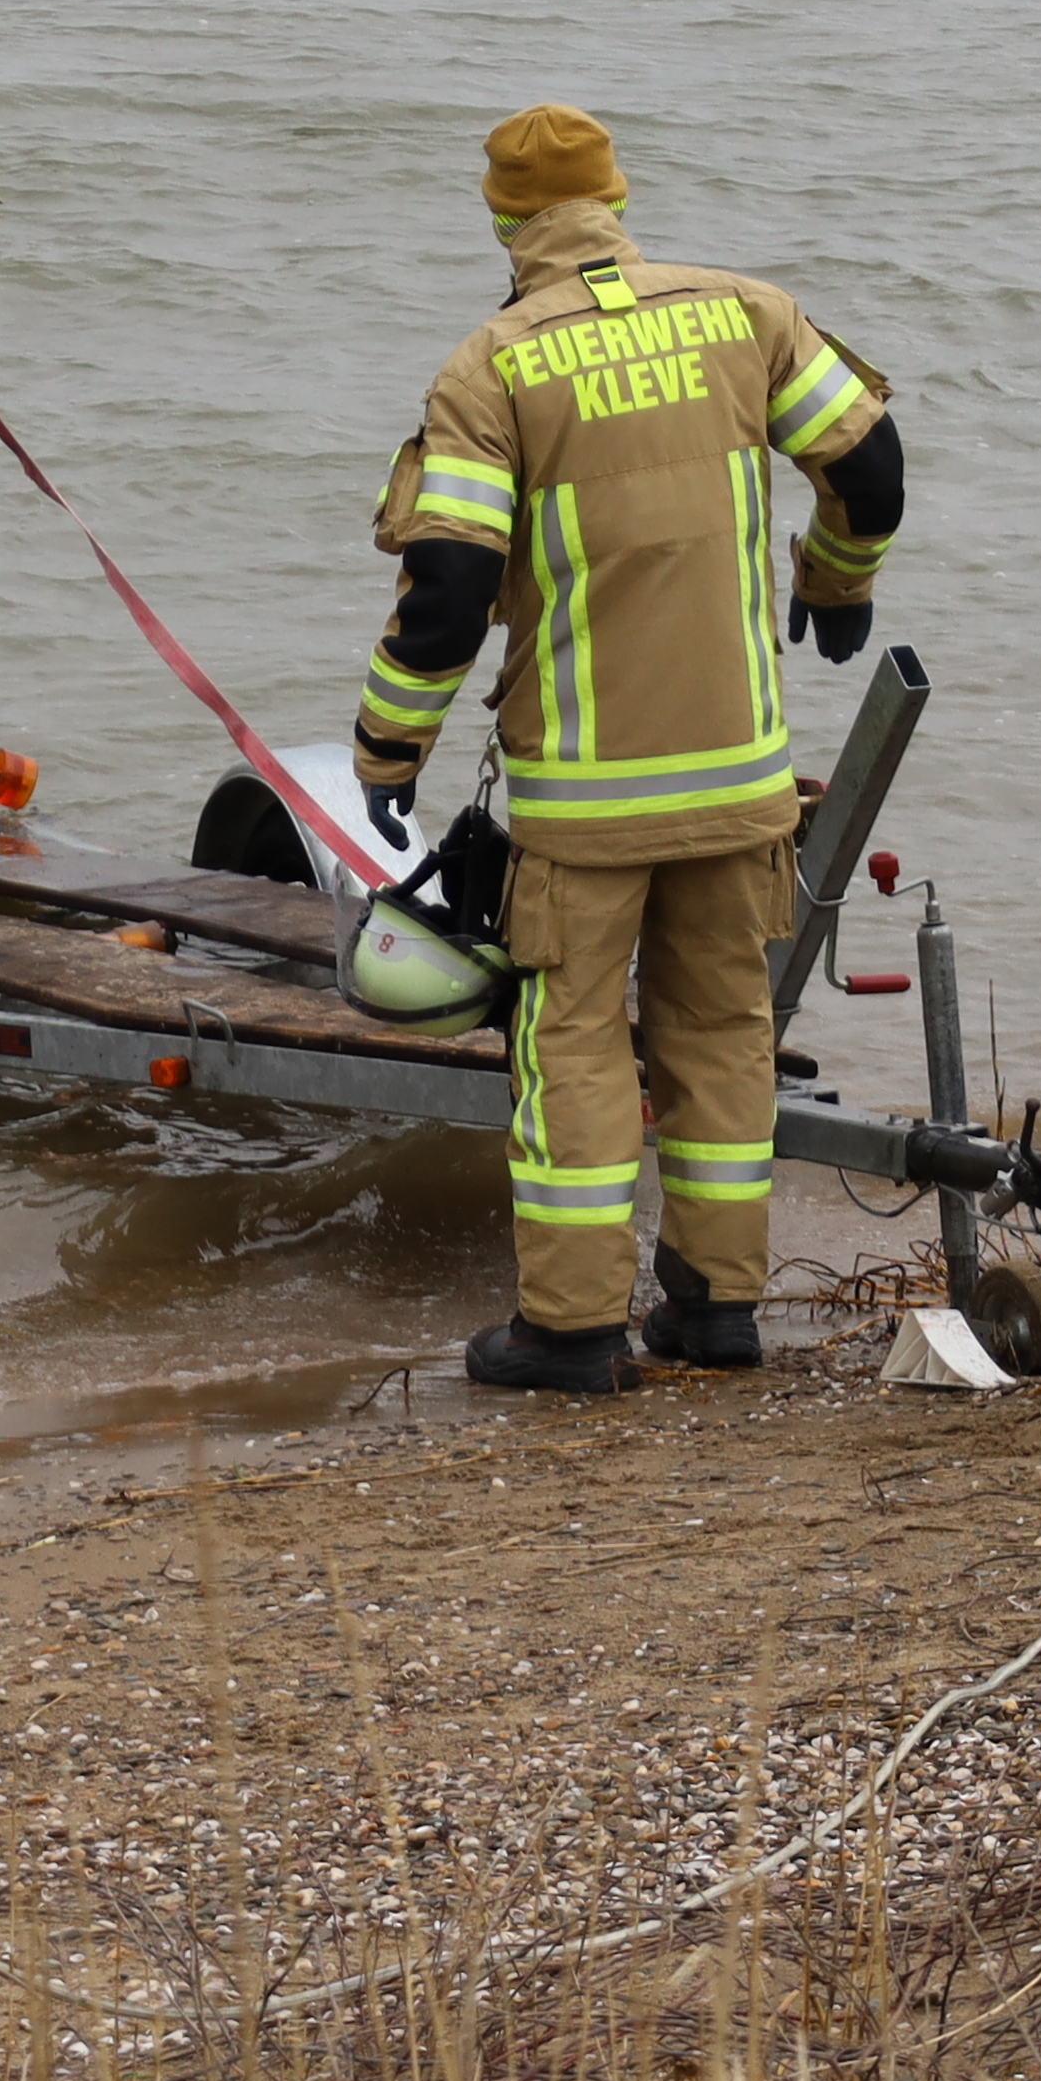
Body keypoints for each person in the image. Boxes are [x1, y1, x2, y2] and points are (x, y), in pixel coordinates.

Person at [349, 105, 901, 1394]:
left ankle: (574, 1326)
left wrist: (390, 745)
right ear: (619, 197)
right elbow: (869, 468)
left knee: (576, 1042)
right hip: (742, 787)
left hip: (586, 807)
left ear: (499, 218)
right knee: (721, 1028)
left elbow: (446, 586)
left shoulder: (491, 370)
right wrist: (836, 580)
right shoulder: (749, 315)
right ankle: (715, 1310)